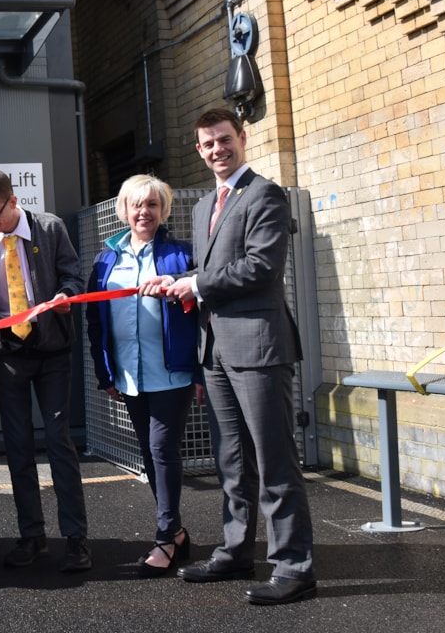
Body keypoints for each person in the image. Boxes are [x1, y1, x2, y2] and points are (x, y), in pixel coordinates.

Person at [161, 108, 316, 605]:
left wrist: (197, 283)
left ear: (242, 138)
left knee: (274, 460)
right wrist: (184, 288)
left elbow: (261, 267)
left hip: (259, 346)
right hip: (217, 349)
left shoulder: (265, 194)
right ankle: (235, 551)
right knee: (232, 461)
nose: (216, 150)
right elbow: (213, 276)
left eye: (224, 140)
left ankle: (294, 568)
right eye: (207, 144)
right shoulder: (206, 202)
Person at [0, 168, 92, 572]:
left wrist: (67, 295)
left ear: (13, 201)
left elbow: (73, 275)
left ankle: (77, 540)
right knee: (17, 447)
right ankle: (32, 537)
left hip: (52, 351)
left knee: (59, 441)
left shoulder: (50, 228)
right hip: (8, 355)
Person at [86, 174, 202, 578]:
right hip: (129, 375)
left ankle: (166, 537)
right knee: (151, 456)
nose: (144, 212)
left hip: (172, 372)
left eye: (152, 205)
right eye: (137, 205)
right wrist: (105, 374)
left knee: (162, 449)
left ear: (163, 210)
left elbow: (204, 315)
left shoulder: (180, 255)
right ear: (124, 210)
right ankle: (178, 533)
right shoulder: (105, 260)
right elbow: (95, 321)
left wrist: (202, 373)